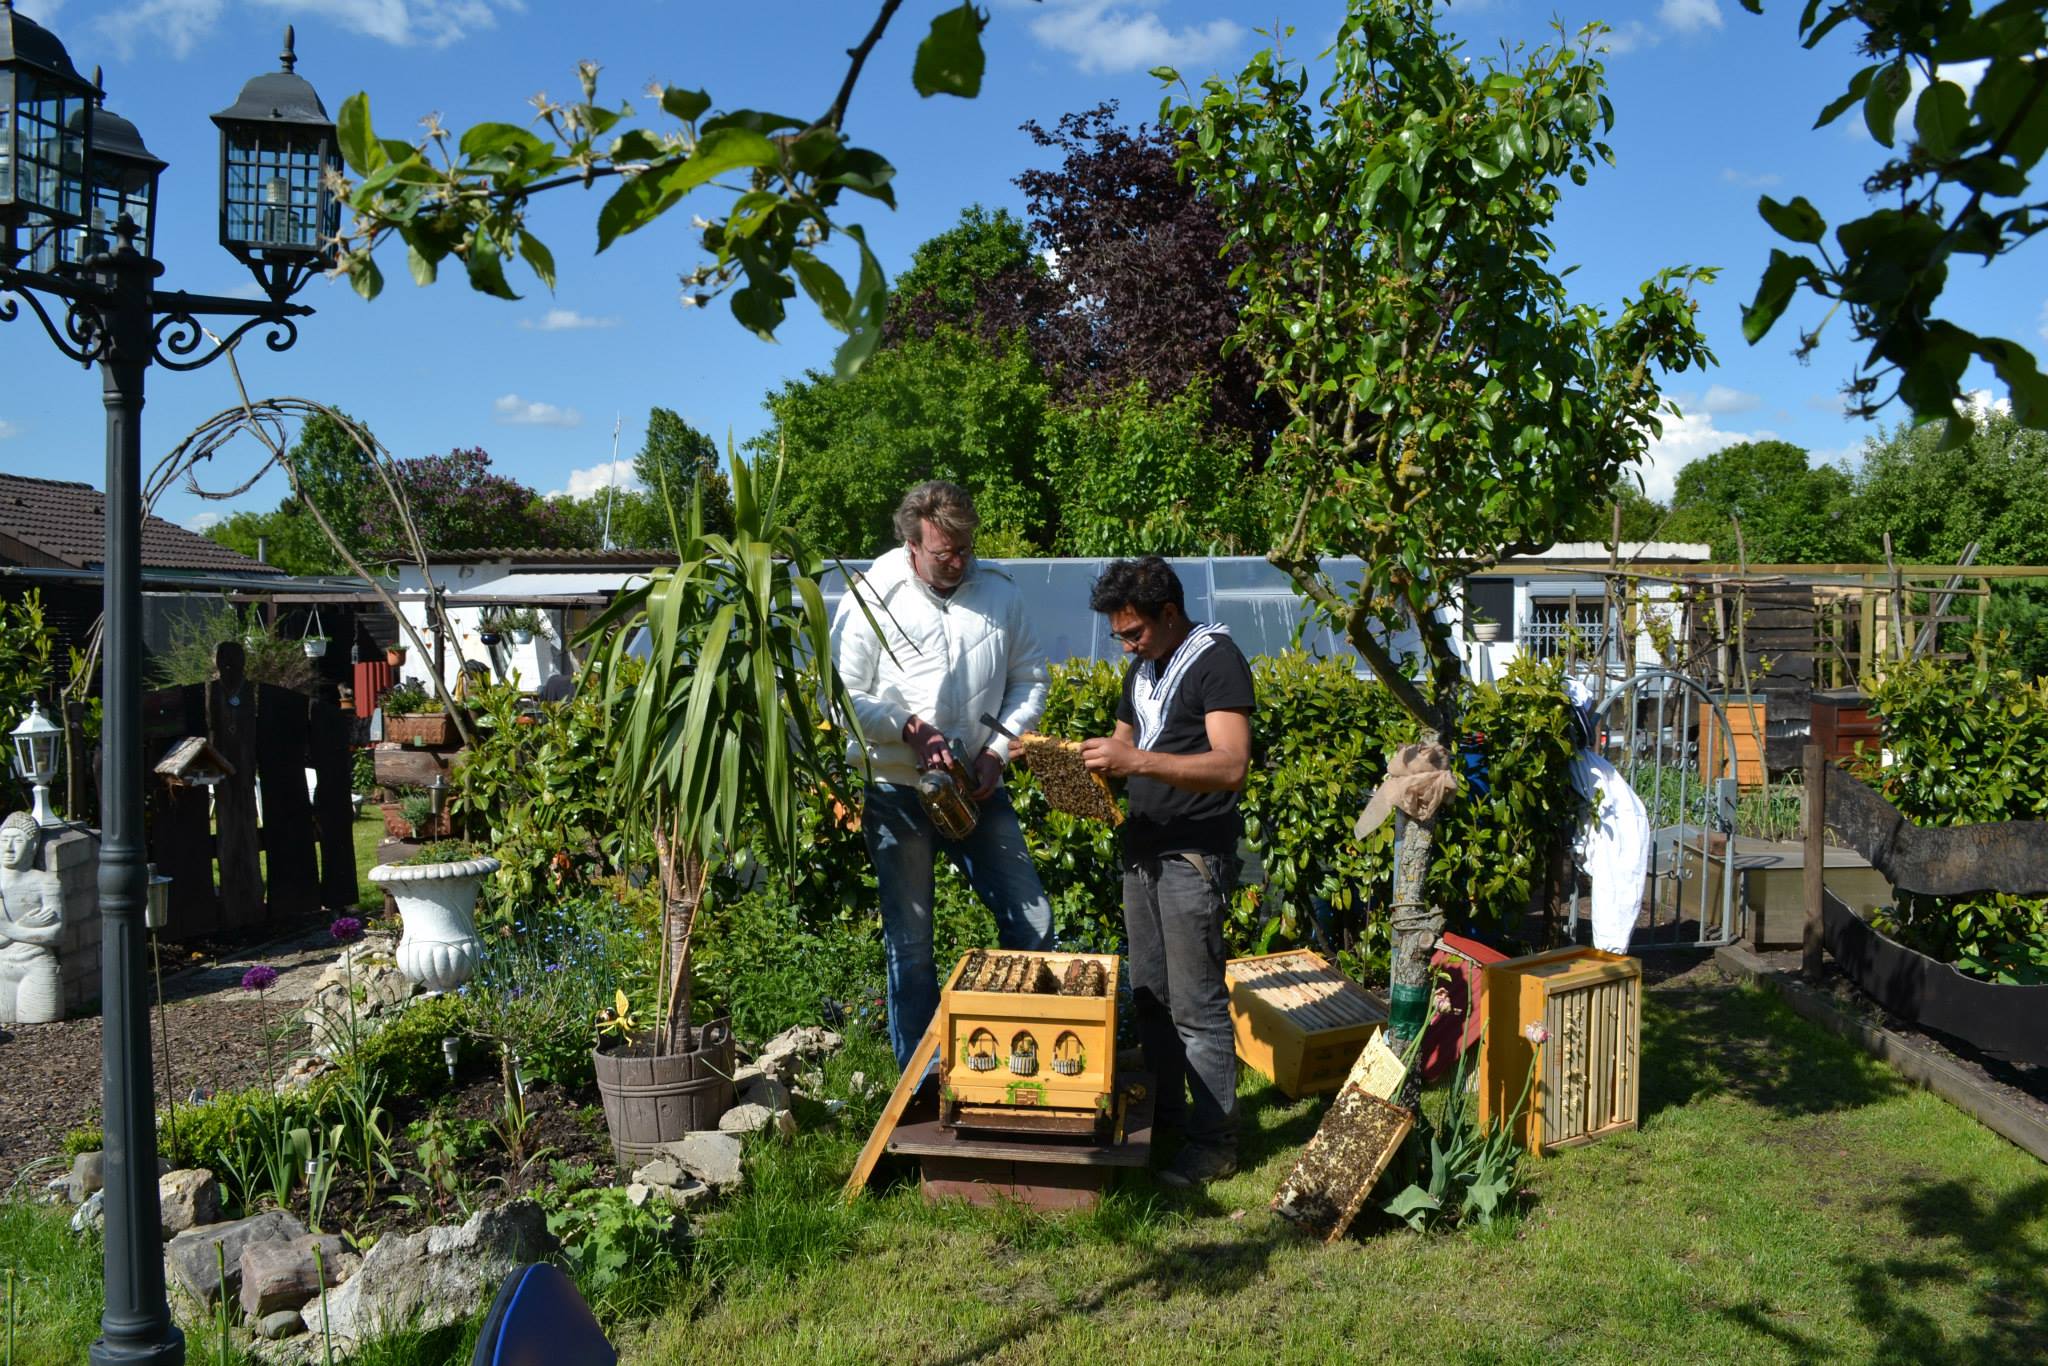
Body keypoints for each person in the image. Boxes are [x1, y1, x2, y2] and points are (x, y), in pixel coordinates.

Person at [831, 481, 1055, 1069]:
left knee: (1034, 921)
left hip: (980, 787)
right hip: (897, 791)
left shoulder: (1000, 592)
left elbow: (1030, 680)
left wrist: (999, 751)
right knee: (911, 946)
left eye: (964, 549)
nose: (957, 562)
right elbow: (842, 698)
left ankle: (1024, 1068)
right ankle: (921, 1089)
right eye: (943, 553)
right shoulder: (871, 595)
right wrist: (908, 727)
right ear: (911, 543)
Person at [1081, 557, 1254, 1188]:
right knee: (1149, 998)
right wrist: (1073, 760)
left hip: (1192, 856)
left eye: (1134, 632)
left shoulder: (1216, 659)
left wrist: (1135, 761)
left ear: (1169, 614)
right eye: (1120, 636)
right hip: (1143, 852)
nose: (1126, 644)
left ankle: (1215, 1142)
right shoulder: (1142, 667)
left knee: (1195, 1005)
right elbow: (1123, 744)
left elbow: (1231, 764)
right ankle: (1168, 1124)